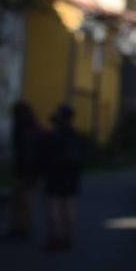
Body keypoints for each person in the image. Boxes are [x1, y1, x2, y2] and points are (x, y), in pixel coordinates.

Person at [42, 104, 83, 251]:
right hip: (71, 174)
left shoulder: (54, 135)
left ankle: (56, 238)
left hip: (56, 174)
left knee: (55, 207)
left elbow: (46, 154)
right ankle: (68, 237)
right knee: (69, 206)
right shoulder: (75, 135)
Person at [8, 102, 44, 238]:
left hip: (24, 170)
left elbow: (24, 153)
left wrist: (21, 171)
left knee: (21, 200)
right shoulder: (34, 127)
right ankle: (24, 226)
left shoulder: (22, 130)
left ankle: (21, 228)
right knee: (27, 200)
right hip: (33, 170)